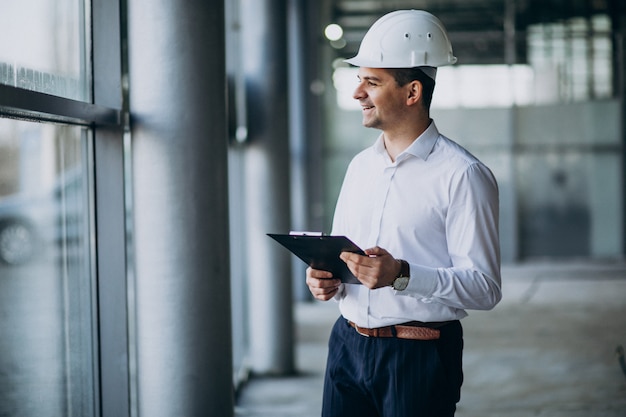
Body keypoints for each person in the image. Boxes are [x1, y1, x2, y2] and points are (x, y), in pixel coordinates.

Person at [305, 10, 502, 417]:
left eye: (371, 82)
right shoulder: (360, 167)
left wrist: (401, 275)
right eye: (359, 79)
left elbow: (485, 288)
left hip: (420, 355)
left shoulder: (463, 175)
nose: (357, 92)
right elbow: (345, 258)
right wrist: (327, 281)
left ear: (412, 92)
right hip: (346, 346)